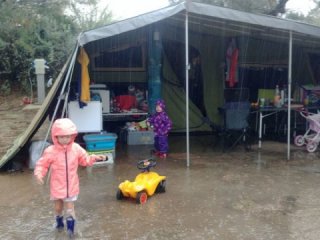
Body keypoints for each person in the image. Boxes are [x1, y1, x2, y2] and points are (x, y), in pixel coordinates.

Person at [34, 118, 106, 236]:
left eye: (67, 136)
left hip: (71, 186)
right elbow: (42, 164)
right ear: (55, 137)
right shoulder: (51, 151)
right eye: (61, 137)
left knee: (70, 208)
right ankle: (59, 222)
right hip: (57, 186)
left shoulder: (76, 148)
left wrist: (94, 157)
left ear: (72, 136)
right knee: (58, 207)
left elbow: (85, 159)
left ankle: (71, 230)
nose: (65, 139)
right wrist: (39, 174)